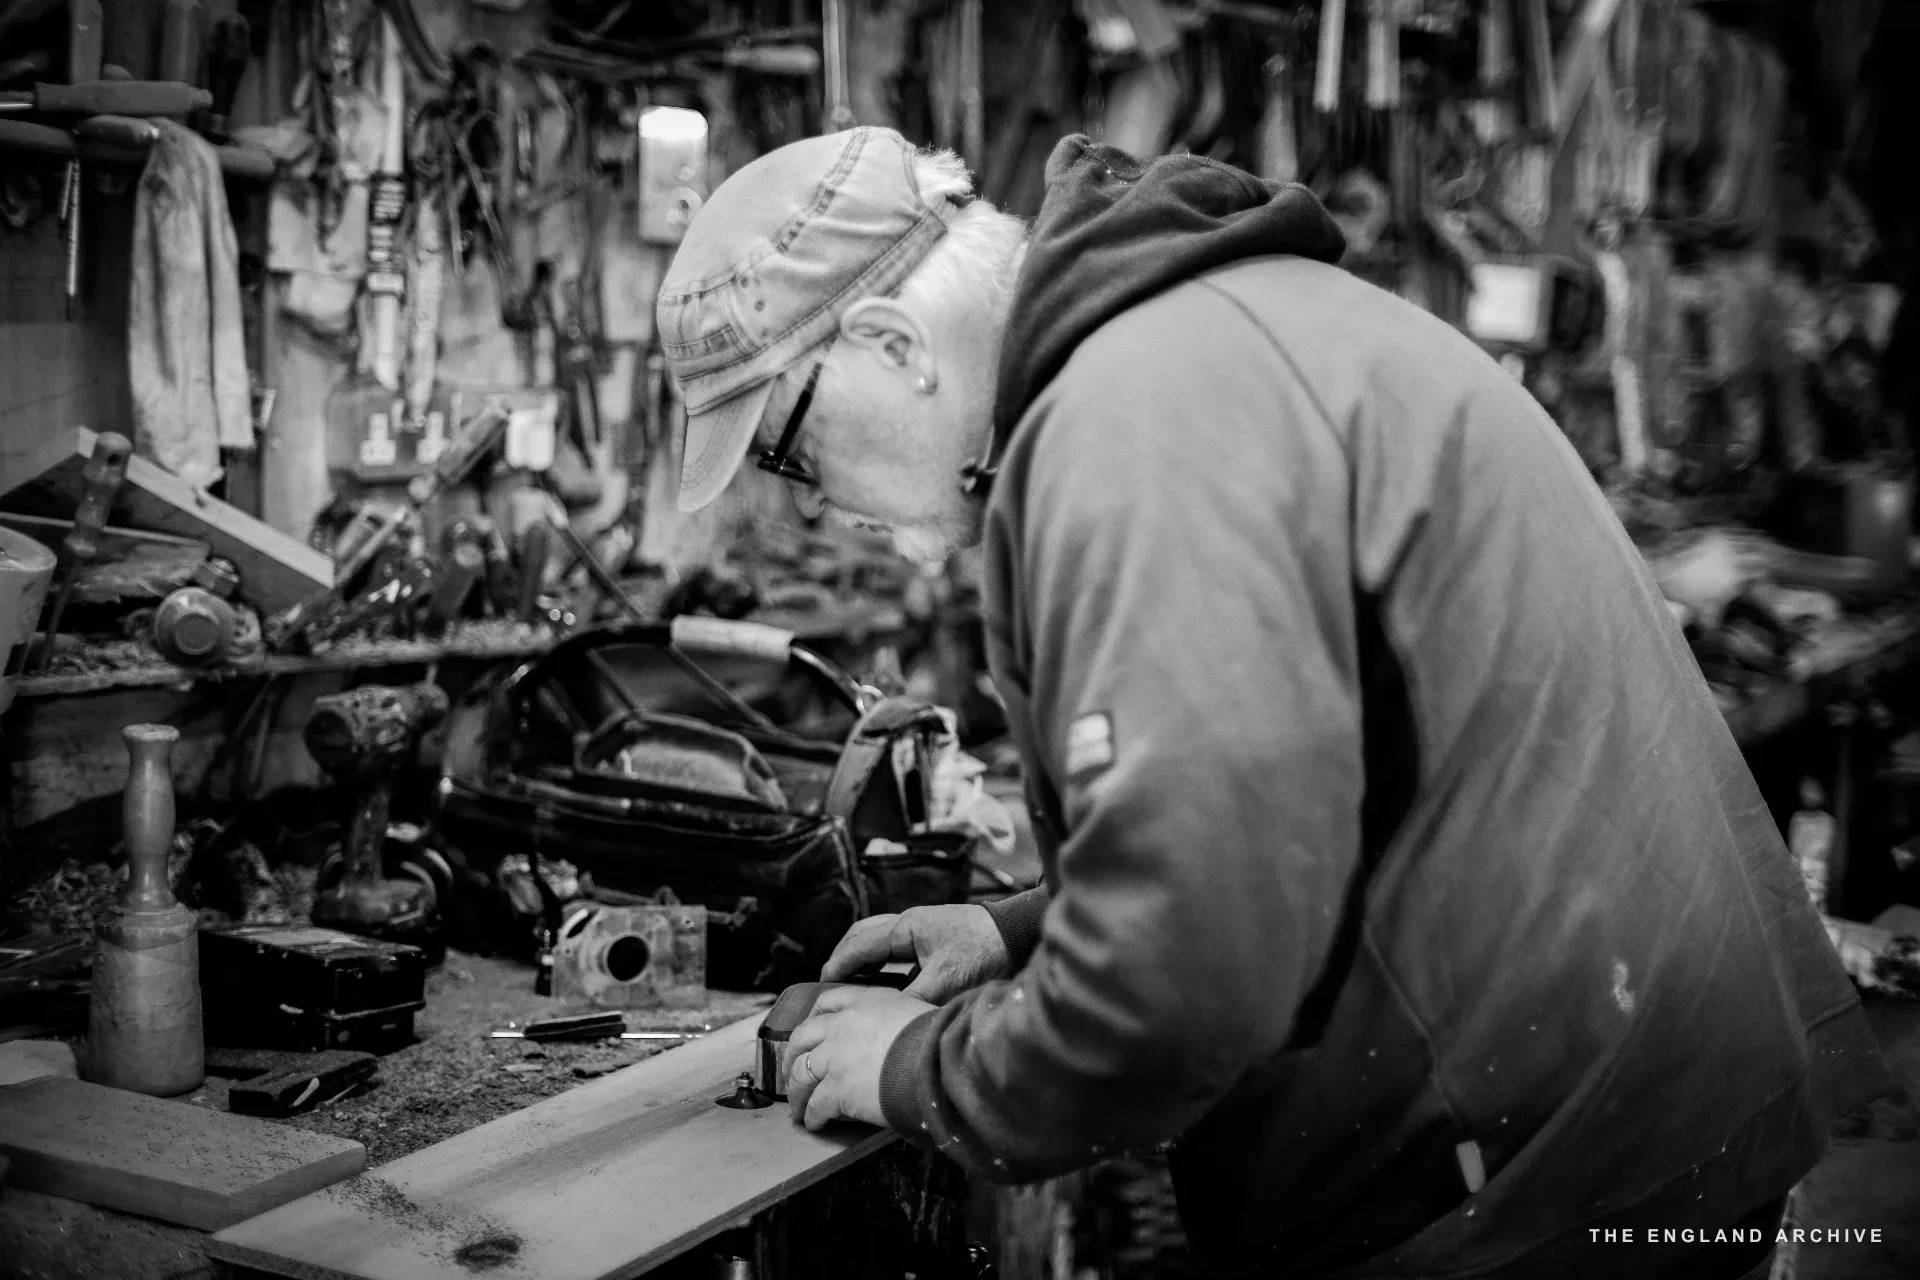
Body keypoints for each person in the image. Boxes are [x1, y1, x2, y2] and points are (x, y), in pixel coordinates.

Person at [654, 126, 1890, 1279]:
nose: (810, 503)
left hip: (1535, 1170)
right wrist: (1017, 930)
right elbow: (1292, 813)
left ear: (893, 345)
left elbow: (1182, 990)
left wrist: (918, 1068)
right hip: (1619, 1093)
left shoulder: (1136, 423)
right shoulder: (1207, 334)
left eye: (786, 448)